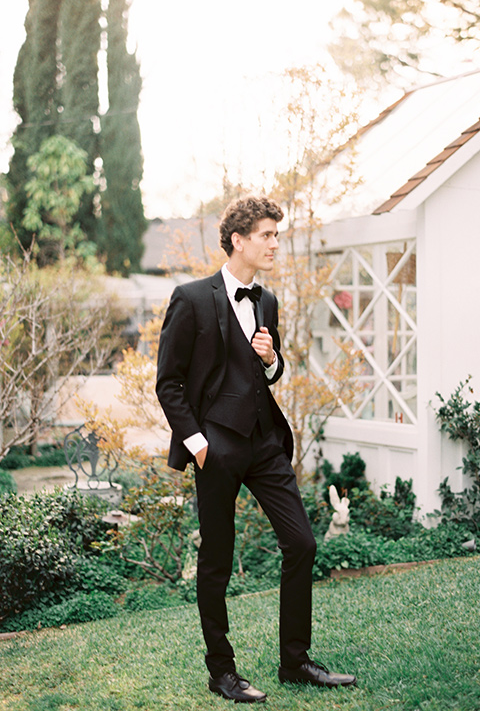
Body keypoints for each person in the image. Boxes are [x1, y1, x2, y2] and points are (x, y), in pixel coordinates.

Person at [156, 195, 356, 703]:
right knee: (217, 561)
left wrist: (271, 360)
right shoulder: (191, 298)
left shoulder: (266, 301)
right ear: (238, 240)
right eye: (267, 235)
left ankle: (296, 661)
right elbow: (169, 384)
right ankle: (222, 672)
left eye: (277, 235)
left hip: (265, 441)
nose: (274, 244)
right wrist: (199, 444)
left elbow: (272, 372)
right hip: (216, 445)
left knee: (303, 543)